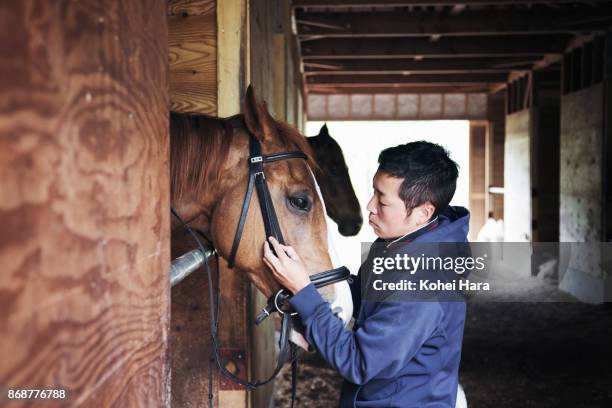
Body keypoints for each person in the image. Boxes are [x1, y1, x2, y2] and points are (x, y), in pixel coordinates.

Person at [263, 141, 469, 407]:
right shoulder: (400, 242)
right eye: (374, 192)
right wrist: (310, 293)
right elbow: (365, 299)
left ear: (423, 213)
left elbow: (359, 363)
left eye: (382, 200)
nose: (370, 206)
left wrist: (306, 294)